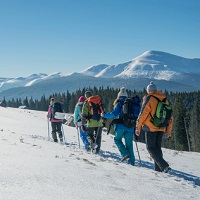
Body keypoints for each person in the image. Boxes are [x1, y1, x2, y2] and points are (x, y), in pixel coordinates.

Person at [135, 81, 173, 173]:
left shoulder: (149, 98)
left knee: (150, 147)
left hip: (150, 127)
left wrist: (138, 127)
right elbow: (170, 117)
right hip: (162, 127)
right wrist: (168, 130)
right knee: (157, 148)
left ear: (148, 90)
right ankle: (158, 169)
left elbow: (143, 113)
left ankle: (164, 166)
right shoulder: (164, 99)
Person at [101, 87, 135, 166]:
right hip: (130, 126)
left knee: (117, 140)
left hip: (120, 126)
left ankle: (125, 154)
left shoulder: (119, 103)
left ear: (118, 96)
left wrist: (104, 115)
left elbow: (113, 114)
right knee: (129, 145)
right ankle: (132, 163)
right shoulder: (131, 103)